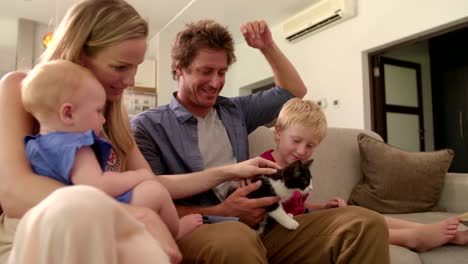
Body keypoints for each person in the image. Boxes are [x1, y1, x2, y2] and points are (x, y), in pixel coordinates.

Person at [0, 1, 280, 264]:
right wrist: (124, 214)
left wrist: (230, 171)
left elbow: (154, 182)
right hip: (39, 234)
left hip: (109, 232)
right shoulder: (20, 89)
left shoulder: (113, 113)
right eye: (119, 66)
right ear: (80, 53)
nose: (132, 80)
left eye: (136, 67)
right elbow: (14, 193)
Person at [132, 19, 390, 263]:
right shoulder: (148, 126)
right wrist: (224, 210)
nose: (216, 82)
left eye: (222, 72)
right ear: (179, 69)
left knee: (364, 223)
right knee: (237, 241)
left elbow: (294, 91)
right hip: (207, 228)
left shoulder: (234, 111)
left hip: (265, 224)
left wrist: (267, 46)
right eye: (205, 71)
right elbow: (147, 205)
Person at [21, 59, 205, 240]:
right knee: (154, 190)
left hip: (61, 220)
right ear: (68, 113)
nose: (103, 119)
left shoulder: (34, 145)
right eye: (98, 111)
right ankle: (175, 231)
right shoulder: (77, 147)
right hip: (90, 219)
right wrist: (139, 176)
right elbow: (98, 185)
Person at [261, 97, 468, 252]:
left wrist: (323, 207)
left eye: (310, 145)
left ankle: (431, 230)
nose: (301, 150)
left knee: (366, 215)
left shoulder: (298, 167)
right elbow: (272, 210)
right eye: (296, 141)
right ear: (278, 132)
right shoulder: (265, 167)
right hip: (288, 229)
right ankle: (414, 238)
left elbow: (298, 205)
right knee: (354, 223)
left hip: (304, 218)